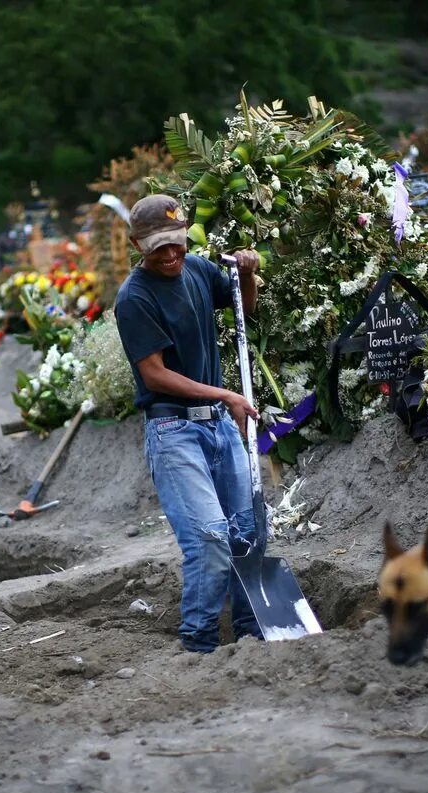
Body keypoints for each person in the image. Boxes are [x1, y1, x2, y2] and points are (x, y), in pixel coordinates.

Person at [113, 193, 263, 653]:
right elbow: (154, 373)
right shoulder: (133, 299)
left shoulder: (197, 269)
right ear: (137, 244)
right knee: (211, 540)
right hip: (174, 431)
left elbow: (244, 308)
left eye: (176, 242)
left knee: (248, 532)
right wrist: (225, 394)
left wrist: (247, 274)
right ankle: (198, 641)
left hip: (217, 425)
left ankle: (249, 632)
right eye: (159, 246)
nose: (171, 254)